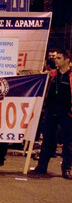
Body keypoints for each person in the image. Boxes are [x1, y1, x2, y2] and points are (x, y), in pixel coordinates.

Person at [32, 49, 72, 179]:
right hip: (51, 112)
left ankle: (66, 169)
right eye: (56, 58)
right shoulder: (51, 75)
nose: (56, 60)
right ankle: (41, 166)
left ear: (67, 60)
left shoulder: (70, 76)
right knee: (47, 140)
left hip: (67, 114)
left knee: (68, 142)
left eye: (59, 58)